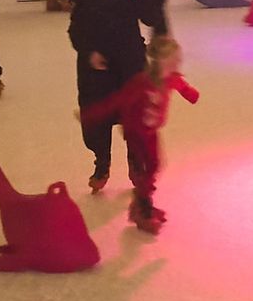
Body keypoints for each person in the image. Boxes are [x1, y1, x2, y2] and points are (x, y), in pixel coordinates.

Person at [79, 36, 199, 235]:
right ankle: (143, 206)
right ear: (162, 60)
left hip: (150, 130)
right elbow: (116, 101)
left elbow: (183, 87)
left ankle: (142, 200)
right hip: (135, 130)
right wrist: (89, 115)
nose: (179, 62)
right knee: (148, 166)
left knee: (154, 165)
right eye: (175, 59)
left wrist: (192, 95)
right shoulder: (142, 83)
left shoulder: (172, 78)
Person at [68, 0, 146, 190]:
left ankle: (136, 164)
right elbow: (75, 31)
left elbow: (152, 17)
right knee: (97, 119)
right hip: (97, 70)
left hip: (129, 66)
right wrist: (89, 53)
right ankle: (102, 163)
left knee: (133, 116)